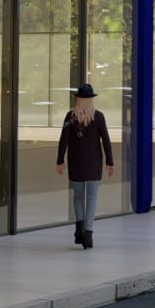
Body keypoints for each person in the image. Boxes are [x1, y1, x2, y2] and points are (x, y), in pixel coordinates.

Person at [55, 84, 114, 249]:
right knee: (92, 198)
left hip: (76, 162)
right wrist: (110, 162)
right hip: (94, 163)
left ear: (78, 99)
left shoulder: (70, 117)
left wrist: (60, 160)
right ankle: (88, 233)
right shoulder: (99, 117)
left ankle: (79, 228)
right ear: (91, 99)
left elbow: (63, 139)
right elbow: (106, 140)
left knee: (78, 196)